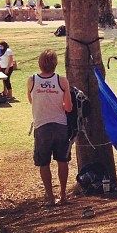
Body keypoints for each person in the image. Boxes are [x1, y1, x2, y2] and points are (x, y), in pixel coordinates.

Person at [27, 49, 73, 206]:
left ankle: (50, 196)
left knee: (43, 162)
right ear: (55, 64)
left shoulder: (31, 80)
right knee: (62, 160)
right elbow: (68, 108)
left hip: (41, 126)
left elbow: (31, 100)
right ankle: (63, 194)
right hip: (60, 125)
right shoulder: (62, 81)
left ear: (40, 63)